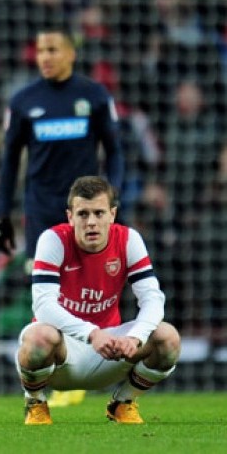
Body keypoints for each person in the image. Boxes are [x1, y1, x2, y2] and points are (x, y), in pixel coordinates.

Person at [0, 26, 124, 407]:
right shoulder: (23, 101)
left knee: (86, 288)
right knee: (45, 294)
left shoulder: (94, 96)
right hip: (42, 210)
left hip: (85, 213)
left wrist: (111, 196)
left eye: (53, 49)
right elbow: (9, 161)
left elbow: (114, 150)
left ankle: (83, 372)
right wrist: (2, 214)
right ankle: (49, 375)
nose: (45, 56)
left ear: (70, 53)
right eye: (40, 50)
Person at [17, 175, 180, 425]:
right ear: (70, 217)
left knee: (167, 338)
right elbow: (43, 306)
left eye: (99, 213)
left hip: (110, 352)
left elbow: (152, 298)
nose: (91, 222)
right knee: (38, 337)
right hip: (61, 354)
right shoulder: (54, 239)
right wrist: (92, 334)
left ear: (112, 214)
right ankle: (35, 402)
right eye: (83, 214)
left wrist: (135, 337)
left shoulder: (128, 239)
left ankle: (123, 403)